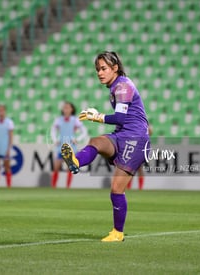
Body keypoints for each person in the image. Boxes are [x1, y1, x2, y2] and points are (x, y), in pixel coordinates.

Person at [61, 51, 150, 242]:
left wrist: (97, 116)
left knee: (116, 189)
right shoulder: (116, 86)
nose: (100, 73)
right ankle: (75, 161)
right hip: (122, 135)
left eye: (103, 68)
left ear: (115, 68)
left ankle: (118, 233)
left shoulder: (123, 86)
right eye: (97, 70)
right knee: (96, 142)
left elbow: (120, 117)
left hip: (136, 139)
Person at [50, 101, 87, 188]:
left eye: (67, 107)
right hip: (60, 145)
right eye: (64, 107)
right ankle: (53, 186)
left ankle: (68, 187)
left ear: (72, 109)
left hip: (71, 146)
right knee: (56, 167)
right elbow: (53, 130)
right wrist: (55, 139)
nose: (65, 109)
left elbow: (84, 131)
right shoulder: (58, 120)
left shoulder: (75, 120)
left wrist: (77, 139)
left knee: (70, 168)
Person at [127, 125, 152, 190]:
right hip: (134, 148)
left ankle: (140, 187)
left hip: (141, 149)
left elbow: (150, 132)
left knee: (139, 169)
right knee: (130, 169)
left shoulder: (143, 126)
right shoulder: (135, 126)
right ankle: (129, 187)